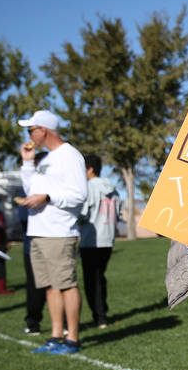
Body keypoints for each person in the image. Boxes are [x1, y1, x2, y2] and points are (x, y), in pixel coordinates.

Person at [18, 109, 88, 355]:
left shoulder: (70, 156)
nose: (29, 134)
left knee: (66, 284)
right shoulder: (45, 159)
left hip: (59, 232)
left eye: (30, 130)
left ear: (43, 130)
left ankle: (72, 339)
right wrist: (27, 162)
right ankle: (56, 336)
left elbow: (80, 195)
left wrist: (47, 197)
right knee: (50, 287)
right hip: (39, 232)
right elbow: (31, 189)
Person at [79, 154, 119, 329]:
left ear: (90, 169)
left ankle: (99, 316)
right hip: (108, 239)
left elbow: (83, 214)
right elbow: (117, 214)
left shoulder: (88, 187)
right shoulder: (113, 188)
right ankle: (102, 313)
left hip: (91, 240)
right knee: (100, 277)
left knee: (91, 280)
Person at [15, 151, 49, 335]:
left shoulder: (56, 186)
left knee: (61, 286)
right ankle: (33, 323)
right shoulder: (29, 187)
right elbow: (23, 217)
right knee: (36, 286)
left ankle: (66, 325)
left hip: (52, 242)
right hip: (32, 245)